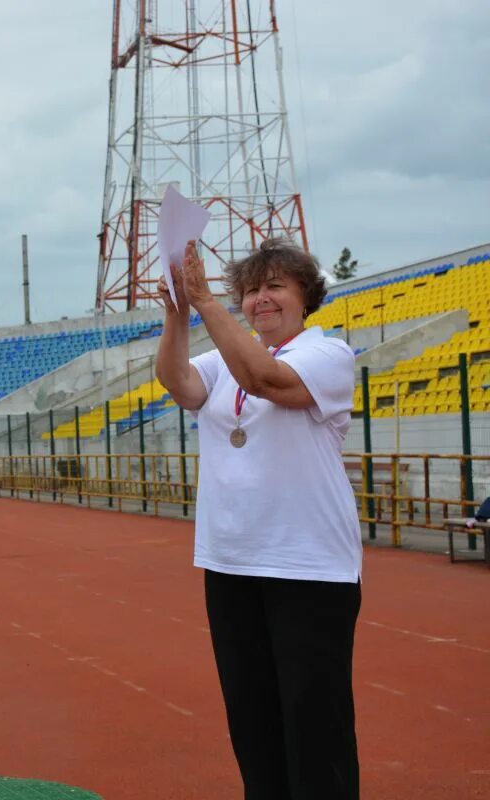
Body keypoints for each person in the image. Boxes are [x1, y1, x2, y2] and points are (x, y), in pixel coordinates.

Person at [155, 239, 362, 799]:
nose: (260, 299)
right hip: (230, 559)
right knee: (252, 719)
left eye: (275, 286)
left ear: (305, 296)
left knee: (314, 723)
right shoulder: (223, 360)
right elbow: (178, 383)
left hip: (309, 565)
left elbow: (265, 381)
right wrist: (177, 315)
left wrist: (202, 299)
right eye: (249, 290)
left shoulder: (328, 355)